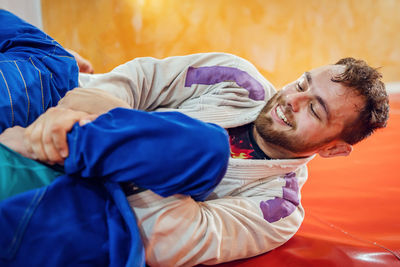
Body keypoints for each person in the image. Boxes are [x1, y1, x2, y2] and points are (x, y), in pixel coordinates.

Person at [0, 9, 389, 267]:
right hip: (55, 121)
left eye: (315, 109)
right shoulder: (235, 76)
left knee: (203, 147)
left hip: (84, 198)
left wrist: (122, 145)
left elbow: (170, 239)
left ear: (334, 148)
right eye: (302, 82)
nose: (291, 100)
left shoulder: (278, 209)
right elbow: (133, 81)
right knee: (51, 58)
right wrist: (77, 116)